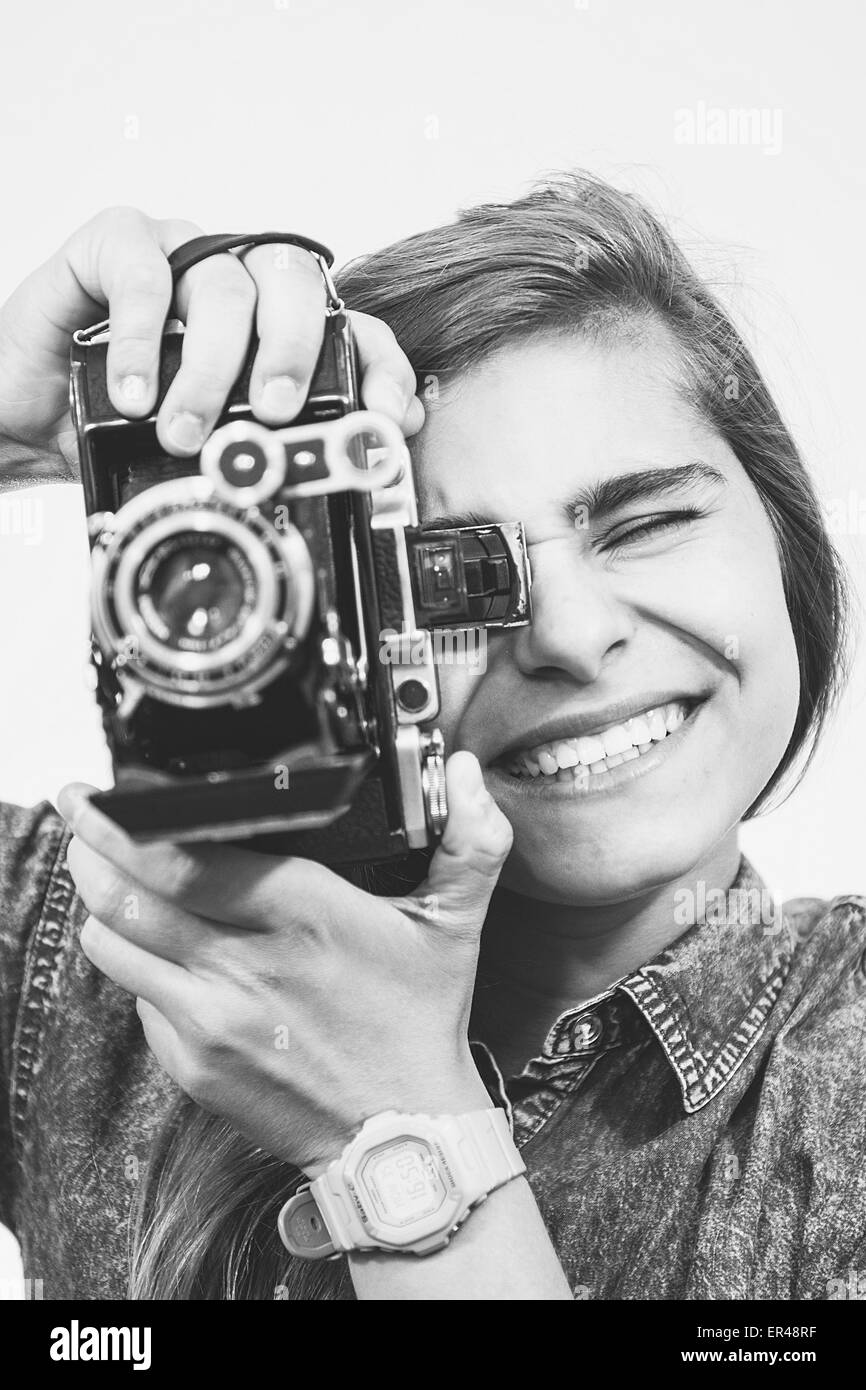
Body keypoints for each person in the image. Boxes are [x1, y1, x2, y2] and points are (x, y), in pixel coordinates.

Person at [0, 173, 862, 1301]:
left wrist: (397, 1132)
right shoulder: (91, 940)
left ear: (783, 539)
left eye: (645, 522)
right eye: (447, 573)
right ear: (307, 621)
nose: (569, 632)